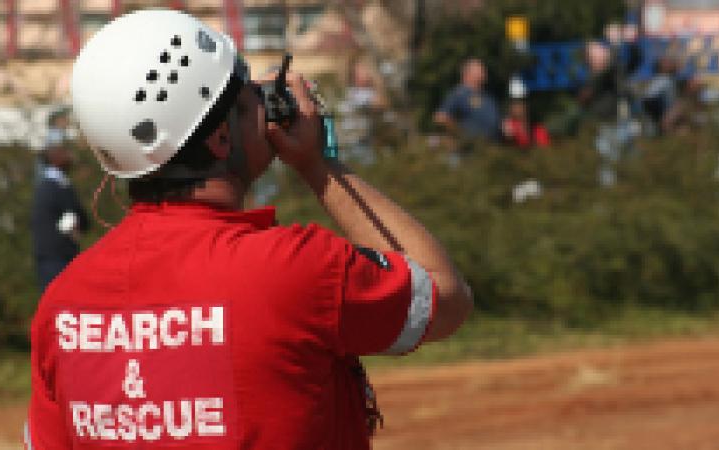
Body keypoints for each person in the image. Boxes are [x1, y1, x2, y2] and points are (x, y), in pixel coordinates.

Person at [25, 10, 473, 450]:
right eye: (249, 98)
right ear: (221, 137)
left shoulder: (60, 305)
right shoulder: (296, 269)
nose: (265, 105)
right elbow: (443, 296)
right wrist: (319, 164)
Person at [30, 117, 90, 293]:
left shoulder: (55, 184)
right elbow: (72, 217)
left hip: (57, 256)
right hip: (57, 257)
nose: (70, 156)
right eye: (64, 152)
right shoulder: (54, 186)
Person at [434, 58, 500, 141]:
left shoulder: (488, 97)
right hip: (469, 149)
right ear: (467, 73)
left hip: (492, 147)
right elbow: (441, 117)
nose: (484, 73)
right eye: (481, 70)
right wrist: (461, 134)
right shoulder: (459, 93)